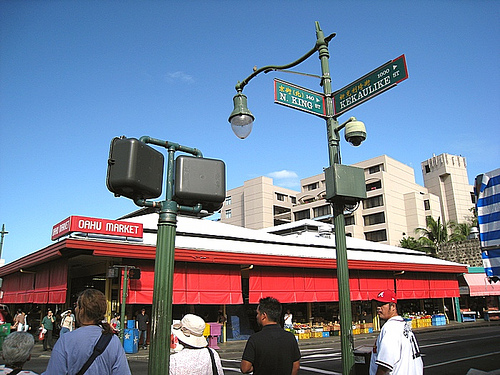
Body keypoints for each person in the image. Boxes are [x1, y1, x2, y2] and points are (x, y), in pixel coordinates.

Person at [42, 289, 131, 375]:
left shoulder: (66, 341)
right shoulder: (113, 341)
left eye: (77, 306)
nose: (75, 309)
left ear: (82, 310)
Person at [241, 297, 300, 375]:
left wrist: (257, 366)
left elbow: (245, 368)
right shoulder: (290, 337)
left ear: (264, 316)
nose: (257, 316)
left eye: (258, 313)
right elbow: (296, 366)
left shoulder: (255, 339)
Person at [370, 290, 423, 375]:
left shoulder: (391, 328)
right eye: (377, 305)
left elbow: (385, 364)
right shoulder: (402, 325)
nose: (378, 308)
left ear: (393, 307)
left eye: (382, 304)